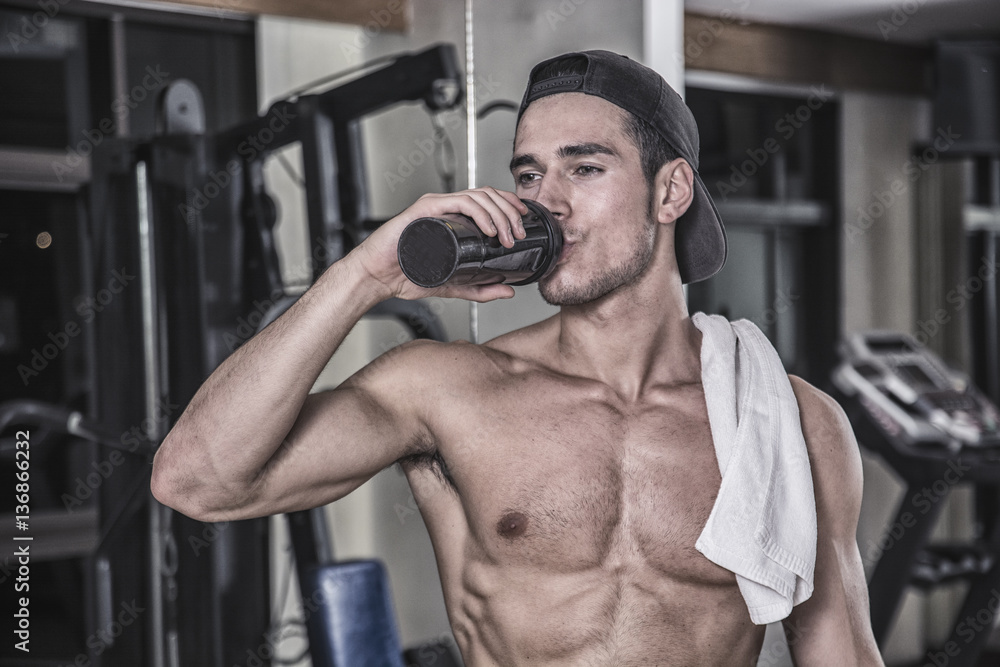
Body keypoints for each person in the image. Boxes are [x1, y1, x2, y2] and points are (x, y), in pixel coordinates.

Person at [152, 50, 883, 665]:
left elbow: (837, 650)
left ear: (671, 190)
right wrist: (364, 277)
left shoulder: (790, 423)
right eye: (529, 174)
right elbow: (198, 481)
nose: (547, 202)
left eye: (584, 168)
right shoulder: (446, 391)